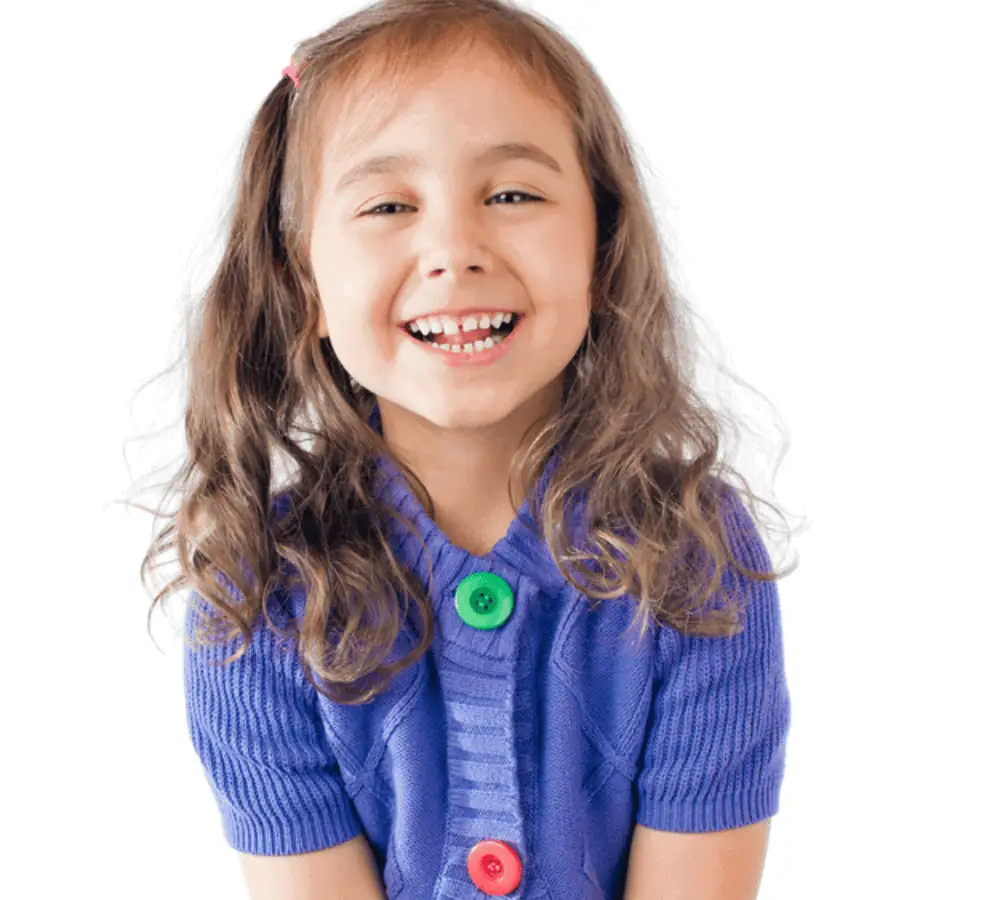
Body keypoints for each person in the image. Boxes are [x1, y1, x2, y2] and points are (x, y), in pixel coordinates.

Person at [140, 1, 794, 897]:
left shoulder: (695, 561)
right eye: (387, 205)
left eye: (513, 194)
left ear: (602, 249)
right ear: (307, 289)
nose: (453, 248)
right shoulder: (257, 601)